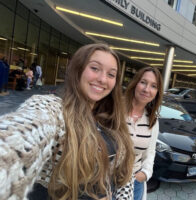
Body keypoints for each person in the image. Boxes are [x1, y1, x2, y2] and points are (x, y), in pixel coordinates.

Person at [0, 43, 135, 200]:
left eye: (111, 75)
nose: (102, 79)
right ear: (78, 69)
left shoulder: (112, 118)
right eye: (95, 68)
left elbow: (123, 170)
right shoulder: (55, 108)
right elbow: (28, 129)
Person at [124, 67, 163, 200]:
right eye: (143, 82)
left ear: (157, 92)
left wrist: (145, 174)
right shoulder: (115, 109)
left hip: (135, 182)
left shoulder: (152, 120)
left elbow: (150, 152)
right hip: (106, 181)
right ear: (135, 83)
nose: (147, 89)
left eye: (153, 86)